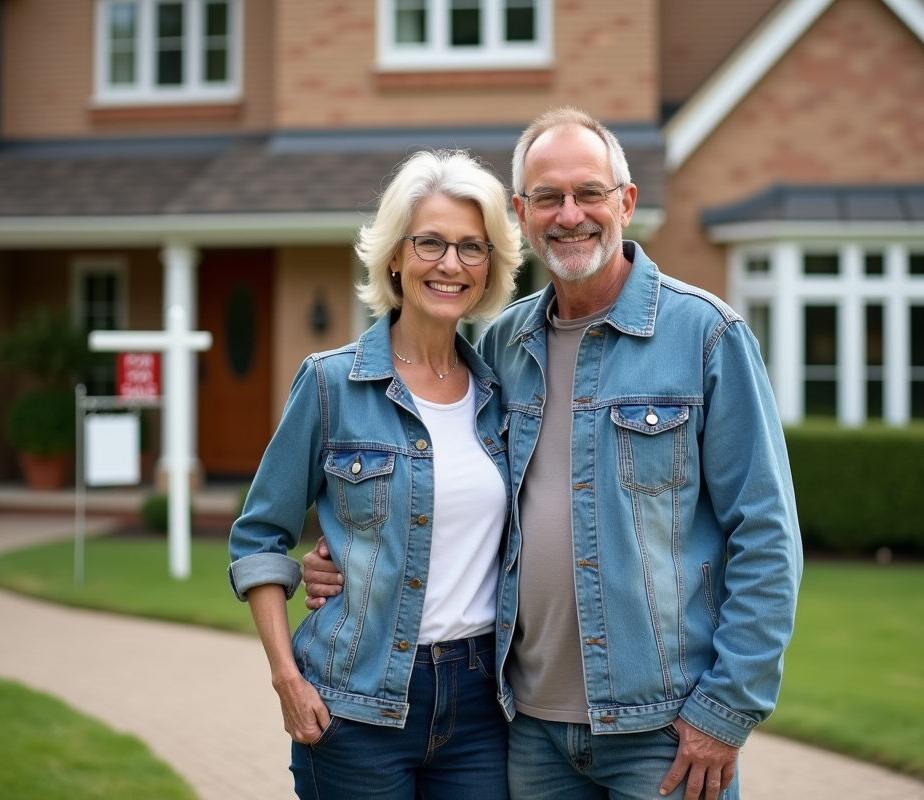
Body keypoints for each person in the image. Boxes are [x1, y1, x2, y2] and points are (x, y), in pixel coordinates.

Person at [303, 107, 803, 800]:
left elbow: (768, 536)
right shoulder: (502, 348)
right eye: (548, 197)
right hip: (528, 730)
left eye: (589, 193)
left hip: (662, 732)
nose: (570, 215)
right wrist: (345, 555)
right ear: (522, 212)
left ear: (625, 202)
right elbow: (445, 477)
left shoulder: (706, 338)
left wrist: (725, 710)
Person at [227, 149, 523, 799]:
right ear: (394, 255)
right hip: (356, 702)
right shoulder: (331, 383)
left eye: (472, 248)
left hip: (482, 708)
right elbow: (257, 538)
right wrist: (285, 678)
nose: (451, 264)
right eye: (431, 243)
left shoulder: (506, 396)